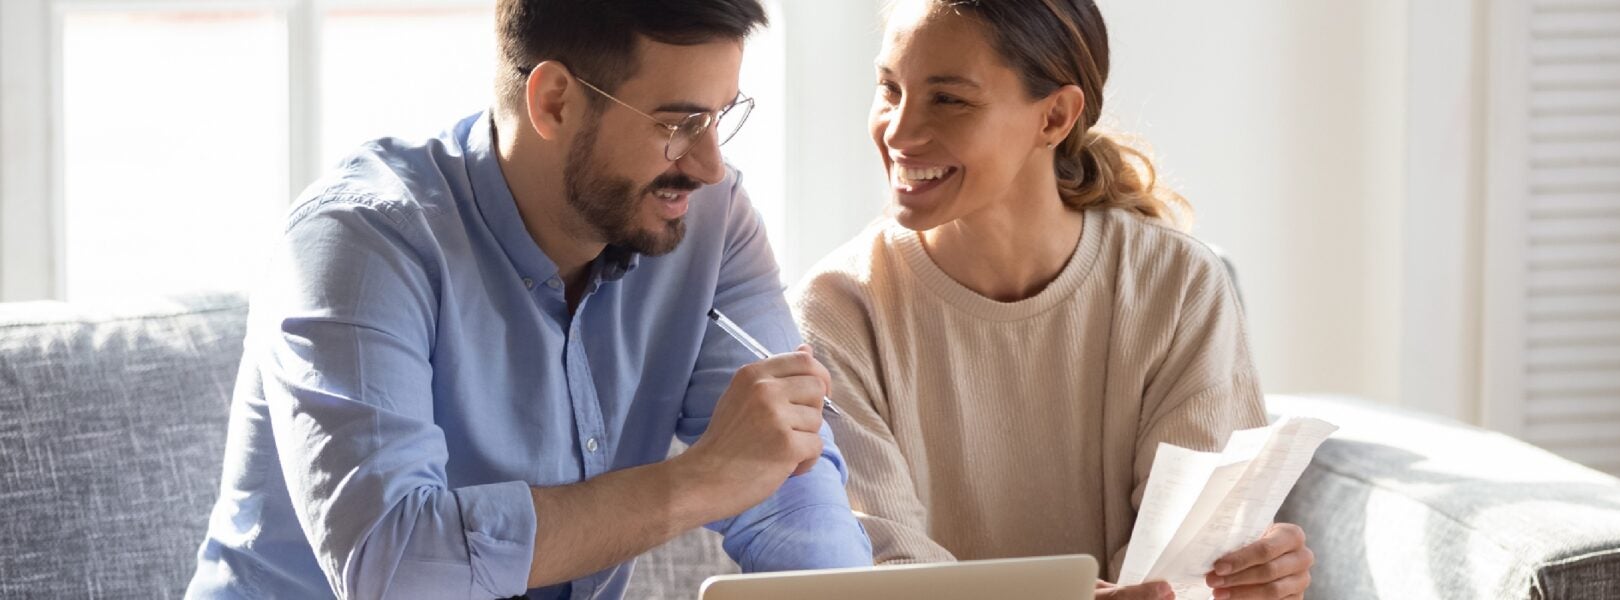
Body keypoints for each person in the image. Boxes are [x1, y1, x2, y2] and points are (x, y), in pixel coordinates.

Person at [186, 1, 871, 597]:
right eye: (679, 123)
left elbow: (789, 479)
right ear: (554, 102)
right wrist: (700, 481)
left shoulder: (708, 223)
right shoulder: (360, 243)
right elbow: (393, 567)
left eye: (721, 117)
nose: (709, 164)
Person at [789, 1, 1313, 599]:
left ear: (1055, 116)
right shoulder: (836, 310)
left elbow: (1183, 568)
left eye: (948, 98)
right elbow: (886, 575)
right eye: (889, 89)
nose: (899, 132)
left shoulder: (1177, 284)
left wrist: (1250, 577)